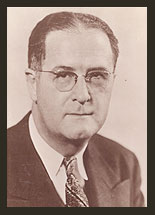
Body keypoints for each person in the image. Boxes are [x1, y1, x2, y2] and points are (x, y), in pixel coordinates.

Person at [7, 11, 144, 207]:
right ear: (32, 83)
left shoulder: (123, 164)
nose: (82, 95)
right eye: (63, 75)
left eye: (97, 76)